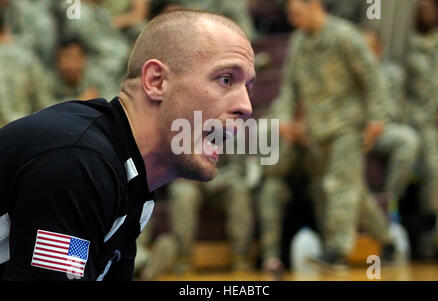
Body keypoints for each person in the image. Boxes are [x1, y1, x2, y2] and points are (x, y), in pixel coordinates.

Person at [0, 9, 255, 280]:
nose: (246, 107)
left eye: (249, 88)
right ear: (156, 81)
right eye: (225, 79)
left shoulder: (131, 184)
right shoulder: (79, 163)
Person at [268, 0, 395, 268]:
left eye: (296, 13)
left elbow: (372, 77)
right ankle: (387, 239)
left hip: (348, 127)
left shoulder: (345, 36)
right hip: (318, 131)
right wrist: (283, 118)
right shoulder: (299, 43)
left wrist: (378, 116)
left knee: (339, 187)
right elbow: (290, 87)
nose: (293, 20)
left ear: (314, 5)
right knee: (352, 191)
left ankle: (336, 251)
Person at [404, 0, 438, 258]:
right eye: (423, 10)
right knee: (433, 176)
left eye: (432, 9)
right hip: (423, 123)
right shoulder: (408, 47)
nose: (428, 14)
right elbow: (402, 90)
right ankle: (431, 241)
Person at [363, 28, 420, 221]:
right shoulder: (348, 74)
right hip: (355, 133)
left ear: (379, 49)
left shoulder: (393, 74)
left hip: (383, 131)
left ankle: (390, 201)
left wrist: (377, 126)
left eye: (368, 48)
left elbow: (395, 109)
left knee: (409, 140)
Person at [0, 7, 53, 127]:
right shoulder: (26, 59)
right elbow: (45, 107)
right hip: (21, 135)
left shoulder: (26, 58)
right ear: (6, 28)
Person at [51, 36, 116, 102]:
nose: (70, 64)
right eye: (65, 59)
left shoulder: (97, 76)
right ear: (57, 62)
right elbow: (46, 106)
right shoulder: (51, 81)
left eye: (74, 58)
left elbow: (112, 99)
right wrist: (79, 101)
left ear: (84, 59)